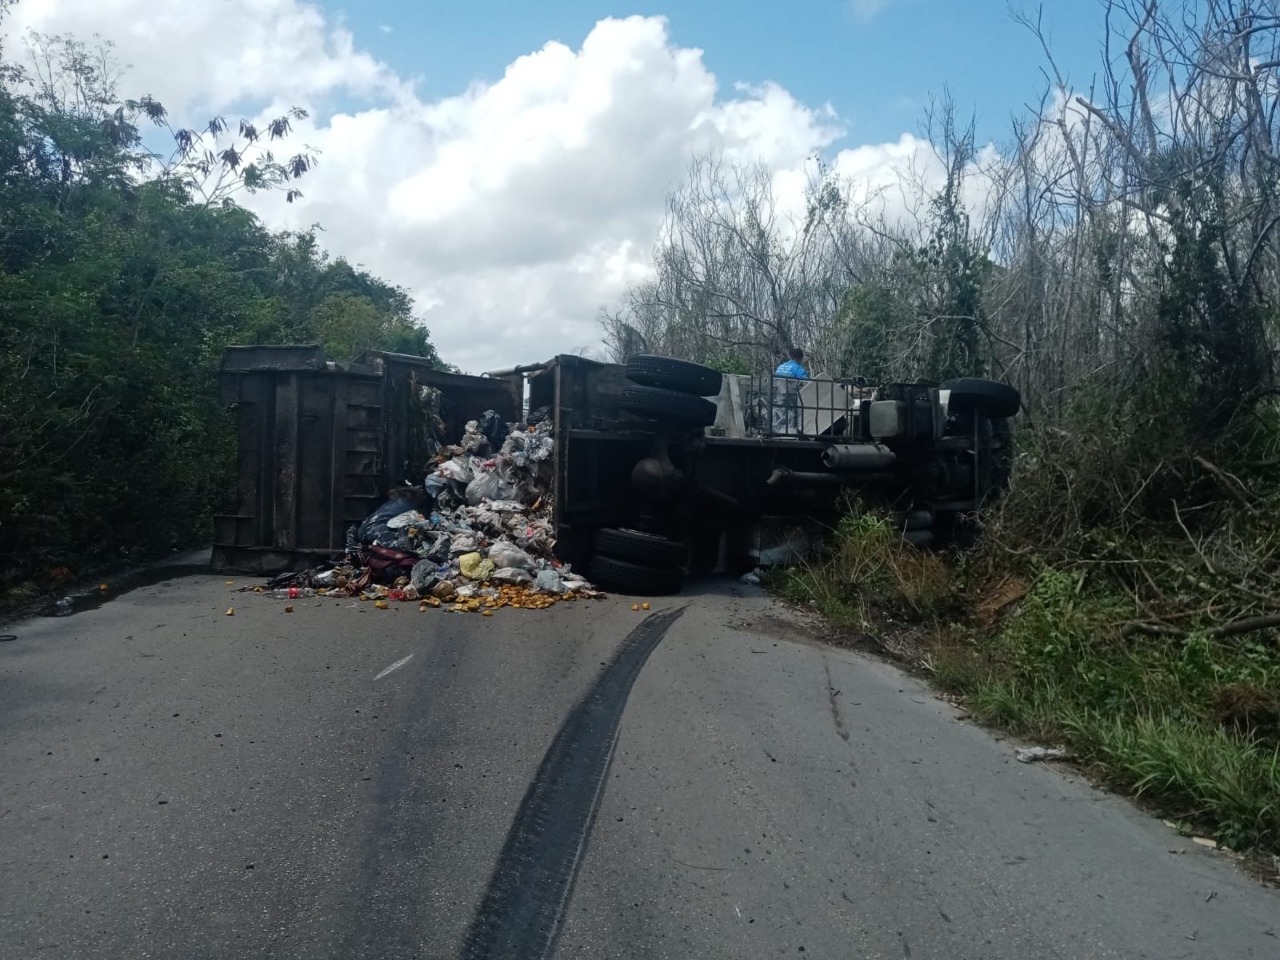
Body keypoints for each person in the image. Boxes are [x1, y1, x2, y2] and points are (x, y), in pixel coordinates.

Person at [771, 347, 808, 434]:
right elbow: (807, 384)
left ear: (790, 356)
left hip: (777, 398)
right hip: (791, 399)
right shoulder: (798, 369)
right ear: (800, 358)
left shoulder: (780, 367)